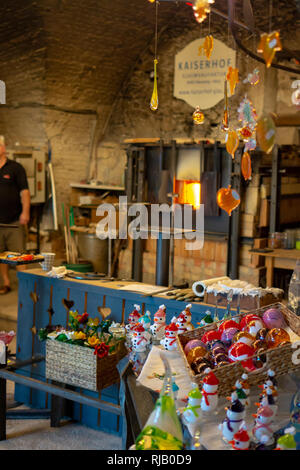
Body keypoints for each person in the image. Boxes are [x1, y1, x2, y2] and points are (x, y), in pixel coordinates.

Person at [0, 136, 31, 294]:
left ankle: (24, 286)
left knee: (18, 255)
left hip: (13, 221)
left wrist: (25, 212)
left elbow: (25, 192)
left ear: (3, 148)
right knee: (1, 256)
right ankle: (6, 283)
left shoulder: (16, 168)